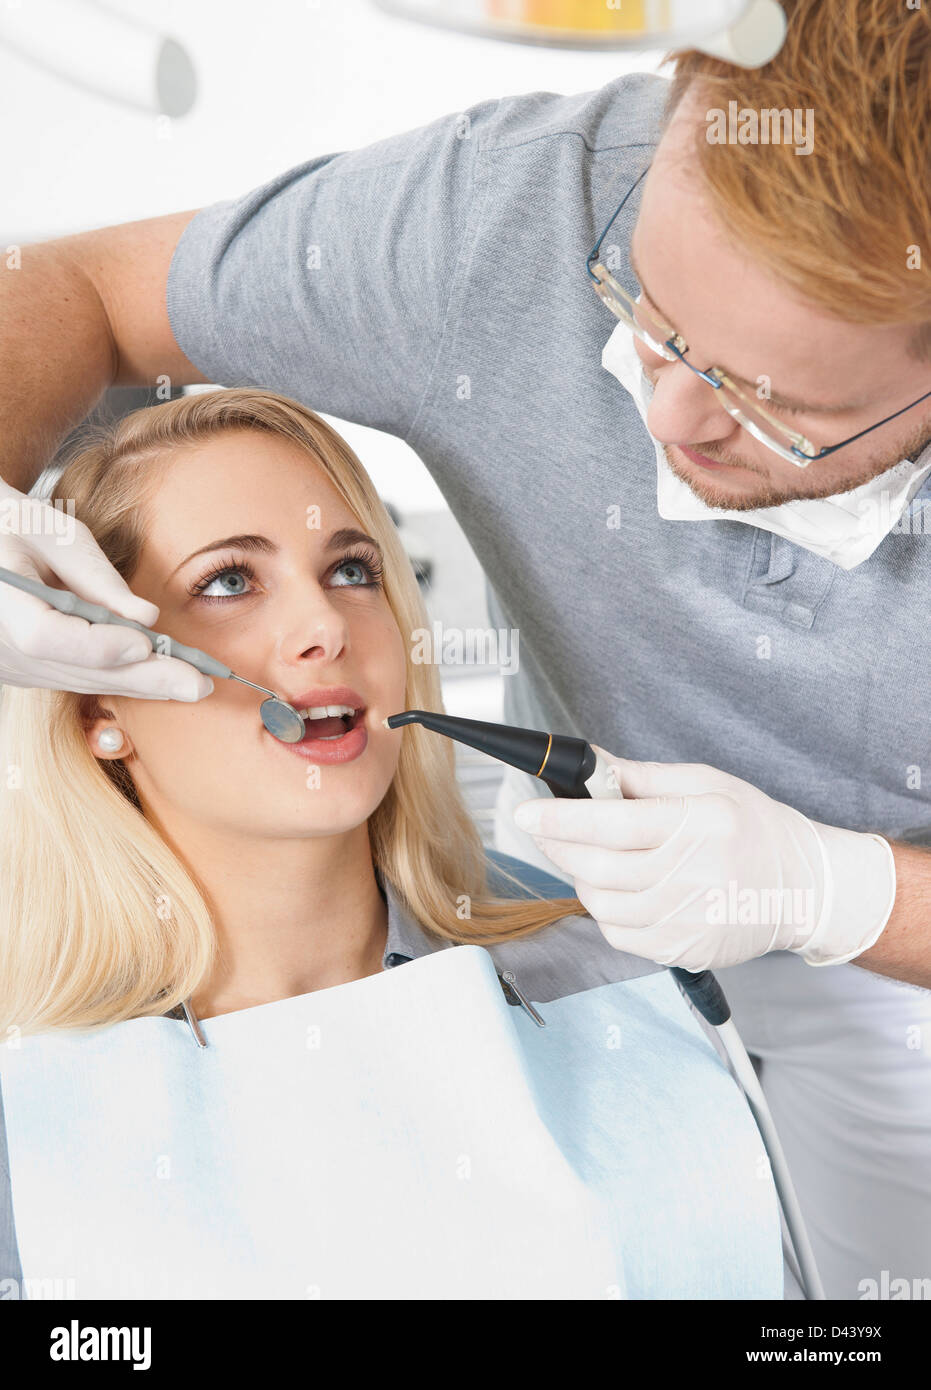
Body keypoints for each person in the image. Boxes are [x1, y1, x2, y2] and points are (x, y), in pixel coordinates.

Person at [0, 0, 926, 1299]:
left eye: (772, 403)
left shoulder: (608, 1014)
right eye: (644, 314)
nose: (657, 410)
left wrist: (831, 892)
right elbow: (66, 284)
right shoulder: (503, 215)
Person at [0, 388, 789, 1299]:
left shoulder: (607, 963)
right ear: (98, 701)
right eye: (227, 581)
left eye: (350, 571)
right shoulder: (37, 1087)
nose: (326, 627)